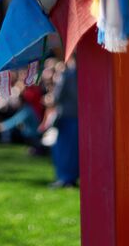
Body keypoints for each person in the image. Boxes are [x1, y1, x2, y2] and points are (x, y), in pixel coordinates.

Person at [49, 56, 79, 188]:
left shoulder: (67, 74)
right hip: (80, 117)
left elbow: (57, 97)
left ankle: (65, 177)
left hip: (67, 116)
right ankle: (71, 178)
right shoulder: (85, 73)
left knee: (64, 150)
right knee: (75, 150)